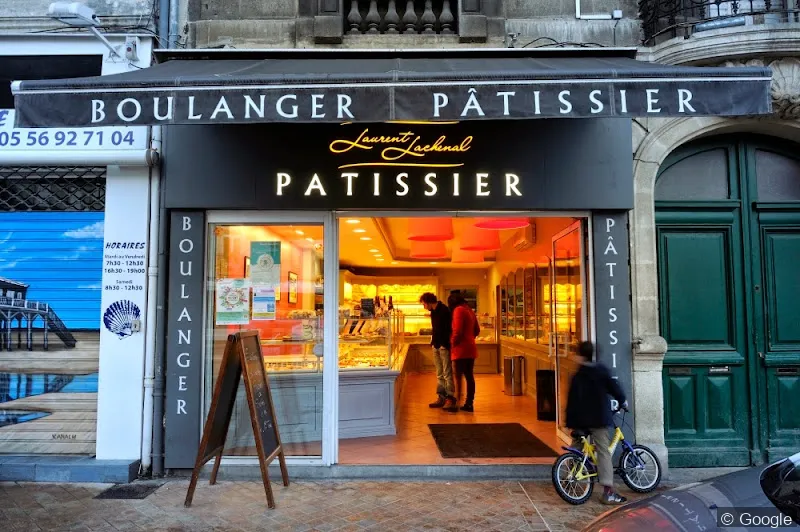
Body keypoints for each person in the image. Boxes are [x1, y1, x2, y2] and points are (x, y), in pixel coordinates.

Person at [565, 340, 629, 505]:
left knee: (576, 447)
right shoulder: (601, 371)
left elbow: (571, 401)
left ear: (580, 355)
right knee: (603, 452)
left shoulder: (577, 375)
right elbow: (614, 388)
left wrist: (570, 421)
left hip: (581, 420)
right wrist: (622, 400)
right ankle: (608, 491)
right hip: (598, 418)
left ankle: (569, 476)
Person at [419, 292, 456, 411]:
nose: (424, 306)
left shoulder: (444, 310)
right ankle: (441, 396)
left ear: (429, 301)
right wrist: (433, 343)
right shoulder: (433, 312)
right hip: (436, 345)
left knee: (447, 373)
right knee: (439, 373)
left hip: (444, 346)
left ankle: (450, 398)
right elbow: (435, 329)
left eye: (424, 304)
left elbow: (448, 329)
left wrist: (444, 344)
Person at [448, 292, 480, 413]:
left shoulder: (458, 310)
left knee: (457, 377)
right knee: (469, 376)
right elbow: (477, 330)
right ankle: (469, 403)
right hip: (471, 348)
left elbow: (457, 331)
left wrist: (452, 342)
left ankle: (456, 403)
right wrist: (470, 338)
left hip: (460, 349)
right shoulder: (470, 310)